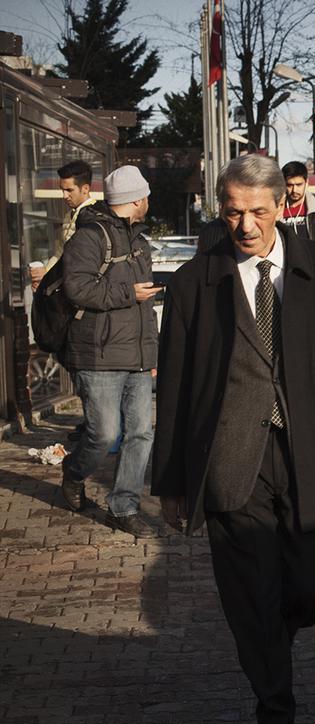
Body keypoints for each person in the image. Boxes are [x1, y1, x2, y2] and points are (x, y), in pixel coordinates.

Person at [152, 154, 315, 724]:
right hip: (229, 461)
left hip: (310, 454)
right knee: (252, 598)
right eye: (231, 214)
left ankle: (281, 627)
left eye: (257, 212)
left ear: (283, 207)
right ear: (218, 211)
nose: (244, 226)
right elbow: (173, 386)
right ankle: (276, 717)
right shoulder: (197, 281)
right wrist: (171, 479)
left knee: (304, 586)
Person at [57, 165, 161, 533]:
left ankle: (123, 507)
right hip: (97, 355)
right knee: (103, 434)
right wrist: (127, 293)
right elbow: (77, 289)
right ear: (136, 199)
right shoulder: (88, 238)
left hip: (135, 357)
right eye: (146, 195)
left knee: (140, 434)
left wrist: (152, 356)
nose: (148, 201)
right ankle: (73, 472)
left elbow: (145, 309)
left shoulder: (140, 242)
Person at [34, 160, 99, 291]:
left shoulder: (96, 216)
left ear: (85, 188)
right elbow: (61, 252)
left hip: (85, 289)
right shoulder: (68, 215)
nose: (64, 196)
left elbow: (82, 260)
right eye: (62, 190)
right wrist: (44, 274)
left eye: (69, 190)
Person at [278, 161, 315, 244]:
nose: (294, 190)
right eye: (289, 185)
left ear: (306, 183)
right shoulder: (276, 209)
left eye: (299, 185)